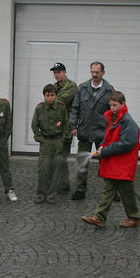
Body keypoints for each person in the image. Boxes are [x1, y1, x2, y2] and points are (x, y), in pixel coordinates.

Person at [81, 91, 140, 228]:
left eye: (115, 105)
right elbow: (109, 137)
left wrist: (106, 150)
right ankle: (100, 217)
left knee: (127, 192)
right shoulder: (113, 118)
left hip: (123, 164)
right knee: (109, 190)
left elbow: (127, 143)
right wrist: (101, 148)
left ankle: (134, 217)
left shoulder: (128, 122)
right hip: (114, 162)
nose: (112, 108)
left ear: (123, 104)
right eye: (110, 105)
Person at [69, 61, 114, 200]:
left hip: (102, 132)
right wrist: (73, 126)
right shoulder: (82, 89)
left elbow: (114, 111)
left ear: (103, 73)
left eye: (97, 72)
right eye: (92, 72)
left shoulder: (109, 90)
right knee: (82, 162)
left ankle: (112, 191)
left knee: (106, 163)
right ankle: (80, 190)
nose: (94, 75)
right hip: (85, 130)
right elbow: (75, 108)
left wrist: (112, 130)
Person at [31, 84, 70, 204]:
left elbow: (66, 125)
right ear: (44, 96)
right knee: (44, 168)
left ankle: (51, 194)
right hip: (46, 142)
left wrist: (63, 139)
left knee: (57, 169)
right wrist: (40, 139)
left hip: (58, 141)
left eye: (52, 95)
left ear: (56, 95)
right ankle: (41, 194)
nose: (50, 98)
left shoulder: (61, 107)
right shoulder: (39, 108)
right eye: (48, 95)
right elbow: (34, 125)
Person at [51, 62, 77, 193]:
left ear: (65, 72)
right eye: (55, 72)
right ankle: (60, 182)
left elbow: (60, 102)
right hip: (55, 125)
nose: (56, 75)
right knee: (56, 154)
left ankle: (63, 183)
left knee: (62, 155)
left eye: (59, 72)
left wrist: (51, 99)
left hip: (66, 126)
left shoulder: (71, 86)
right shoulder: (55, 86)